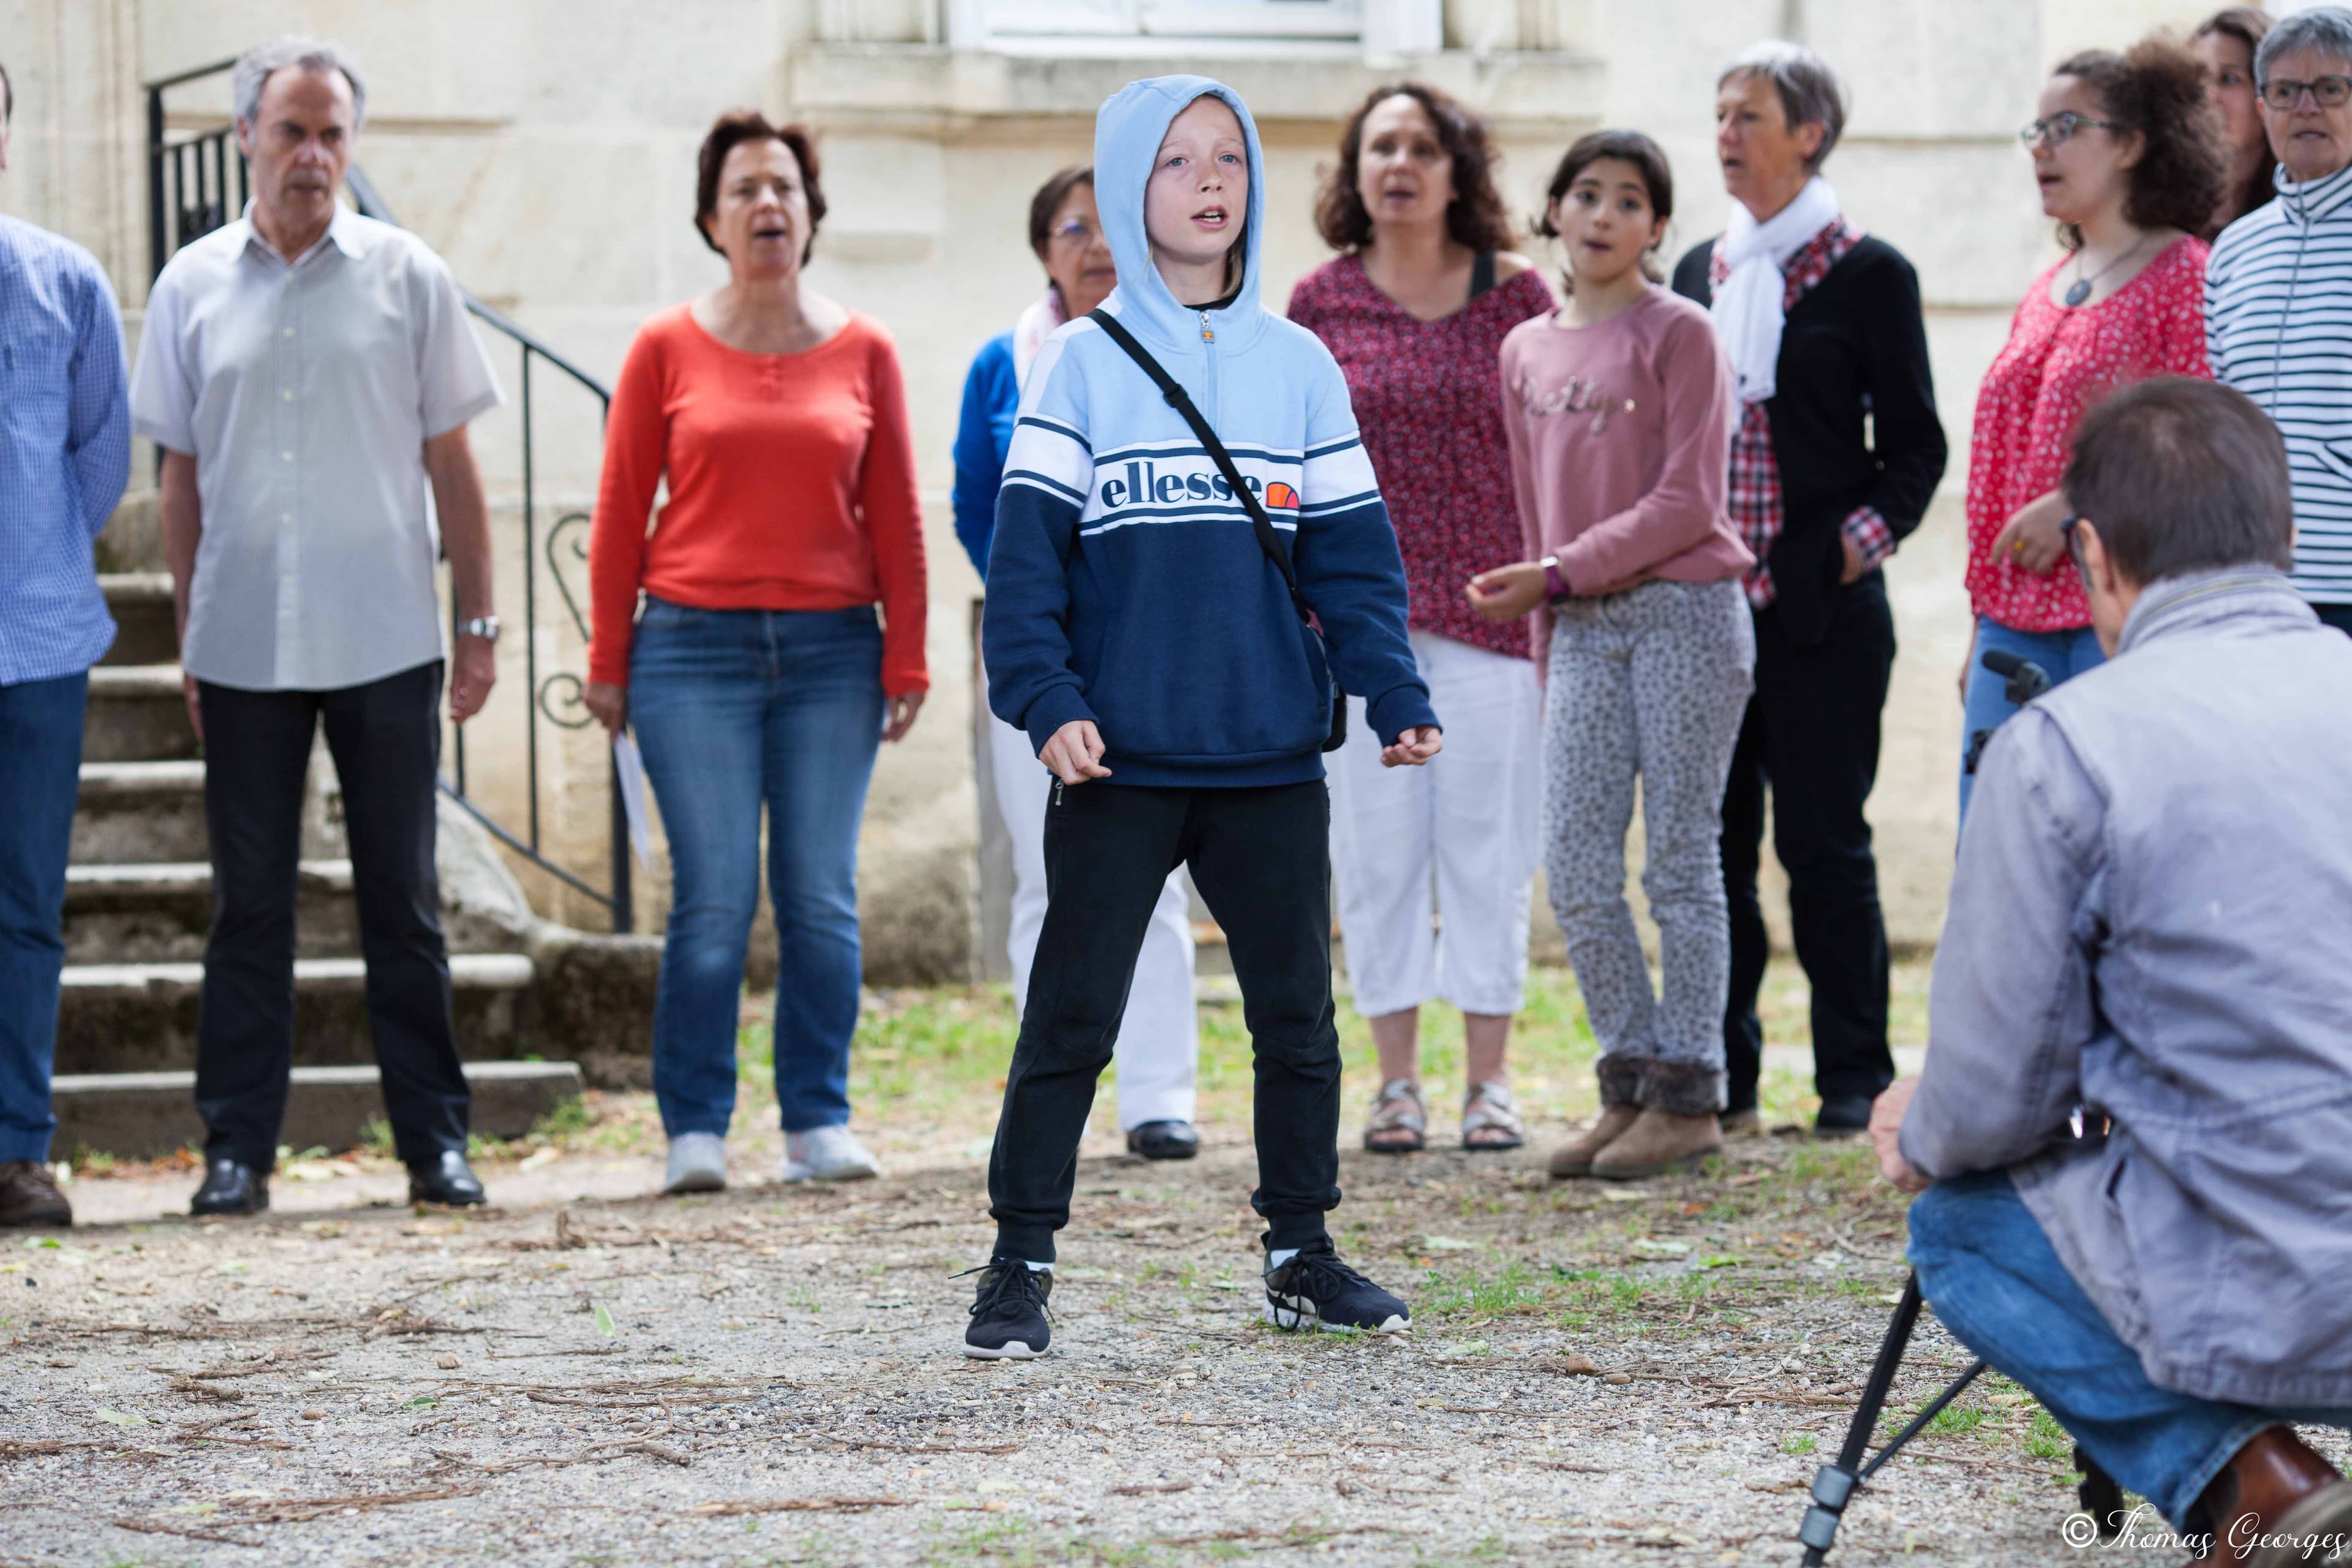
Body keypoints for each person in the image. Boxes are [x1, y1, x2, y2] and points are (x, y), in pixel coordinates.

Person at [965, 76, 1441, 1360]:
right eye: (1178, 162)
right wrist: (1047, 700)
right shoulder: (1080, 362)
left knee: (1298, 1016)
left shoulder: (1299, 365)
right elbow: (1024, 574)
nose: (1211, 180)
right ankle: (1019, 1260)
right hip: (1124, 756)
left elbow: (1353, 558)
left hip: (1271, 756)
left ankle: (1301, 1250)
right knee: (1072, 1011)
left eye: (1228, 157)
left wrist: (1390, 686)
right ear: (1131, 190)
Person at [1874, 377, 2352, 1561]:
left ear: (2091, 555)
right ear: (2284, 534)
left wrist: (1920, 1129)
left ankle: (2251, 1481)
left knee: (1963, 1224)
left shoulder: (2067, 748)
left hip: (2276, 1291)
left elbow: (1993, 1104)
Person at [131, 38, 503, 1218]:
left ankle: (434, 1146)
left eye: (333, 134)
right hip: (242, 644)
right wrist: (189, 630)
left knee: (403, 899)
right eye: (291, 131)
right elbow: (178, 478)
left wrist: (479, 622)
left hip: (388, 635)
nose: (313, 156)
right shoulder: (190, 285)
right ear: (246, 136)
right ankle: (236, 1151)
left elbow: (456, 465)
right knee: (249, 905)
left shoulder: (409, 276)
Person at [584, 113, 926, 1196]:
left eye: (784, 187)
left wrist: (907, 657)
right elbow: (618, 509)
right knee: (715, 897)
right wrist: (608, 657)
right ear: (711, 218)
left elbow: (899, 518)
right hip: (689, 653)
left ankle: (817, 1119)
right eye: (744, 190)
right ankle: (695, 1127)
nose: (767, 204)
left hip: (834, 653)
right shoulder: (663, 348)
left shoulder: (866, 348)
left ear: (812, 215)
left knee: (820, 893)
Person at [1671, 42, 1947, 1136]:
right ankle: (1726, 1079)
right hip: (1704, 615)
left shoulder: (1871, 273)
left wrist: (1840, 550)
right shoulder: (1700, 268)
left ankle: (1852, 1083)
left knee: (1825, 847)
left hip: (1824, 616)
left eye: (1749, 115)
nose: (1727, 134)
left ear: (1809, 134)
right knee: (1718, 851)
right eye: (1720, 113)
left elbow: (1916, 456)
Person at [1468, 132, 1752, 1181]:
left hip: (1684, 613)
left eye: (1628, 201)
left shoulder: (1682, 334)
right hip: (1580, 623)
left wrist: (1555, 575)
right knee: (1579, 865)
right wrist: (1550, 630)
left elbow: (1690, 503)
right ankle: (1628, 1083)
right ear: (1554, 210)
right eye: (1585, 194)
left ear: (1657, 229)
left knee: (1679, 858)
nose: (1602, 215)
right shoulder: (1525, 350)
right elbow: (1538, 505)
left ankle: (1692, 1096)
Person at [1288, 83, 1553, 1156]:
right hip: (1361, 630)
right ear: (1354, 172)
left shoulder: (1522, 297)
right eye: (1379, 146)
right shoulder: (1319, 304)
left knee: (1491, 853)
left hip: (1495, 620)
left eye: (1421, 147)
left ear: (1459, 170)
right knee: (1378, 853)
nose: (1399, 164)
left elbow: (1558, 452)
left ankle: (1489, 1082)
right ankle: (1395, 1083)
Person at [950, 165, 1203, 1163]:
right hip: (1041, 659)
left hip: (1157, 656)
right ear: (1042, 248)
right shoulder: (999, 365)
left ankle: (1159, 1098)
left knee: (1157, 880)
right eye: (1072, 227)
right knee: (1046, 881)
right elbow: (980, 506)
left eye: (1112, 227)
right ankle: (1050, 1091)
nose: (1096, 246)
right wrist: (1044, 617)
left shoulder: (1181, 347)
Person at [1959, 40, 2220, 820]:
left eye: (2066, 126)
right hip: (2010, 620)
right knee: (1998, 851)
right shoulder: (2048, 288)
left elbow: (2197, 435)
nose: (2042, 147)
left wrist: (2075, 501)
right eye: (2035, 131)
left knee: (2101, 857)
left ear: (2134, 144)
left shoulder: (2187, 274)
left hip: (2115, 620)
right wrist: (1980, 623)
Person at [0, 58, 132, 1229]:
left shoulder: (64, 281)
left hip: (38, 644)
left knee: (27, 904)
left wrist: (32, 553)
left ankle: (17, 1151)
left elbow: (100, 459)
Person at [2207, 6, 2352, 638]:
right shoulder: (2233, 250)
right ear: (2263, 110)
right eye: (2287, 91)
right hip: (2250, 585)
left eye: (2331, 89)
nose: (2308, 107)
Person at [2195, 8, 2276, 239]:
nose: (2209, 96)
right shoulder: (2157, 206)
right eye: (2200, 79)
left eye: (2229, 79)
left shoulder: (2293, 209)